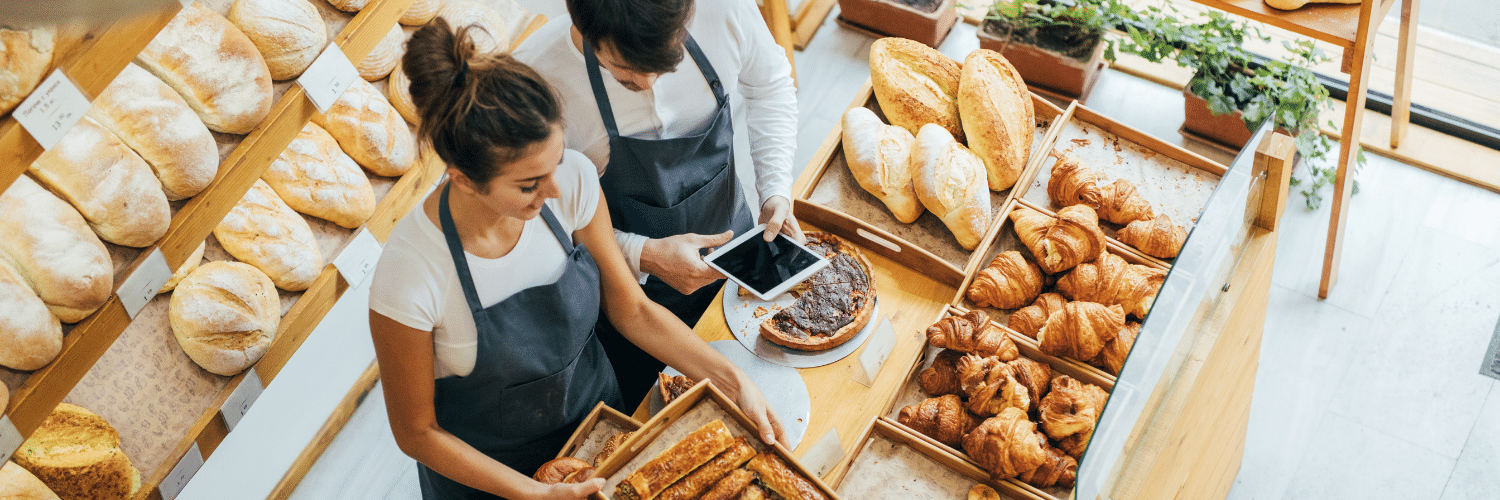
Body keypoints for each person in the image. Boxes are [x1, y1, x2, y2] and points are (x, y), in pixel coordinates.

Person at [368, 20, 784, 500]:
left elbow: (634, 310)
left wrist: (733, 383)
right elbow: (416, 433)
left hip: (598, 437)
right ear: (463, 178)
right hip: (492, 482)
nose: (555, 191)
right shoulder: (410, 274)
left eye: (557, 161)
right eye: (529, 184)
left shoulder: (574, 181)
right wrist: (534, 494)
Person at [514, 0, 801, 404]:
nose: (648, 82)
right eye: (627, 69)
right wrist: (642, 254)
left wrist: (775, 187)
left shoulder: (723, 9)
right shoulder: (536, 82)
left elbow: (770, 85)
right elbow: (538, 223)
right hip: (629, 304)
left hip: (738, 267)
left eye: (669, 59)